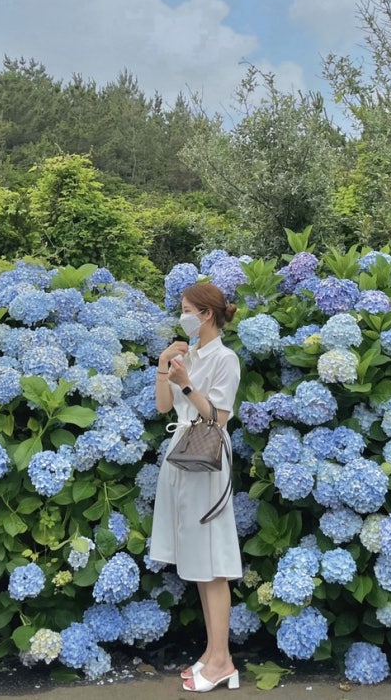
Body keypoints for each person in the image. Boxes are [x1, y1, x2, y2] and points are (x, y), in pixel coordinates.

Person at [150, 281, 242, 693]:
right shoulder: (186, 354)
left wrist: (187, 382)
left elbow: (218, 419)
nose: (182, 316)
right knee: (199, 561)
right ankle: (212, 653)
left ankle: (222, 661)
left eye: (188, 309)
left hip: (206, 458)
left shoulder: (225, 358)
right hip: (181, 455)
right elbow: (163, 407)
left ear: (206, 314)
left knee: (212, 560)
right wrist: (163, 365)